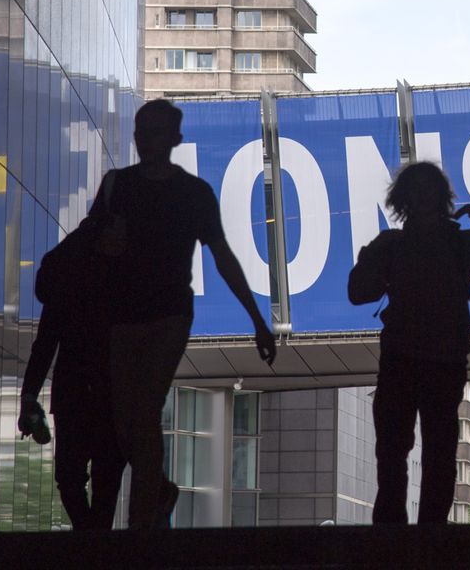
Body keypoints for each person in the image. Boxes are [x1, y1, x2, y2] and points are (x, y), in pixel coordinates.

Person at [94, 99, 277, 529]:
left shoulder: (188, 193)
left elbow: (223, 258)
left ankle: (142, 521)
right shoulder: (122, 186)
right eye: (141, 133)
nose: (145, 141)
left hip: (165, 316)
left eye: (153, 132)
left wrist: (257, 320)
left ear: (174, 138)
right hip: (126, 316)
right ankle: (157, 491)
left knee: (140, 412)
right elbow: (91, 244)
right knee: (127, 419)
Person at [347, 162, 470, 523]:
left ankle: (392, 530)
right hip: (443, 358)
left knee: (394, 450)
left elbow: (358, 292)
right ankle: (430, 532)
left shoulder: (393, 245)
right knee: (437, 450)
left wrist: (370, 261)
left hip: (403, 357)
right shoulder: (458, 243)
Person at [19, 224, 124, 529]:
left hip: (76, 396)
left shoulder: (66, 285)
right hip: (107, 397)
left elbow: (44, 347)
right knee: (104, 480)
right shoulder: (115, 283)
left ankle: (90, 539)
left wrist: (29, 397)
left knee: (70, 479)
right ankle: (95, 541)